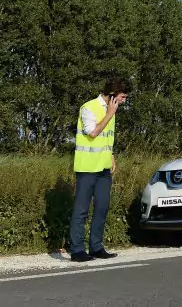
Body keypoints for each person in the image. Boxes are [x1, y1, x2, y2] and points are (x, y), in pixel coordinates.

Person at [69, 76, 132, 262]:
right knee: (81, 210)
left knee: (102, 208)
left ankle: (96, 247)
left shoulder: (111, 111)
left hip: (104, 169)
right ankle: (77, 250)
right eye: (123, 97)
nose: (124, 101)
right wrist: (110, 113)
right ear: (113, 95)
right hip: (87, 167)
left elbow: (106, 139)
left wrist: (111, 156)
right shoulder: (89, 108)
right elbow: (93, 132)